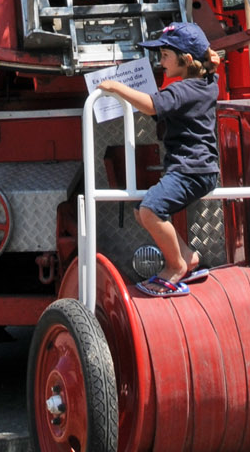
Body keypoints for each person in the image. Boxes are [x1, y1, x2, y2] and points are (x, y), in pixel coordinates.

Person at [99, 20, 221, 297]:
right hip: (198, 169)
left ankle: (175, 266)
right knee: (141, 210)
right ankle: (187, 256)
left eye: (165, 55)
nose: (160, 61)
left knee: (151, 211)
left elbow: (152, 106)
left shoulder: (183, 90)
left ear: (186, 60)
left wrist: (116, 87)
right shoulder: (207, 84)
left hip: (190, 170)